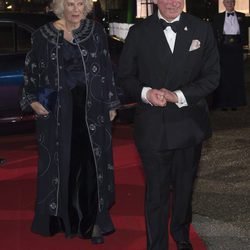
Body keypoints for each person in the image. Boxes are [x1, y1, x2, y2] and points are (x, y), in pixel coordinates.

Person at [118, 0, 220, 249]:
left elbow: (212, 76)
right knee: (156, 192)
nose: (173, 2)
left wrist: (179, 95)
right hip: (153, 126)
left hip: (188, 124)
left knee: (185, 189)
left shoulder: (201, 29)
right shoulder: (139, 32)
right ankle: (157, 244)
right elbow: (125, 76)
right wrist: (145, 93)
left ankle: (181, 235)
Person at [20, 0, 120, 245]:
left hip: (92, 108)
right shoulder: (42, 35)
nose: (75, 9)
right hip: (57, 110)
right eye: (70, 4)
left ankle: (93, 222)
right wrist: (32, 100)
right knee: (62, 163)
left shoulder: (95, 31)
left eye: (80, 4)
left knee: (92, 165)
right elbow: (32, 71)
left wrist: (111, 102)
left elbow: (106, 69)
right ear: (59, 6)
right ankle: (63, 220)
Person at [212, 0, 247, 110]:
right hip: (223, 49)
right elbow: (213, 35)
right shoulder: (217, 17)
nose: (229, 4)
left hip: (236, 50)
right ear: (224, 4)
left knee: (236, 76)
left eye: (231, 2)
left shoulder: (242, 16)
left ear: (234, 3)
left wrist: (244, 51)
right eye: (227, 2)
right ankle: (223, 103)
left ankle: (235, 102)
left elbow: (245, 34)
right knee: (223, 77)